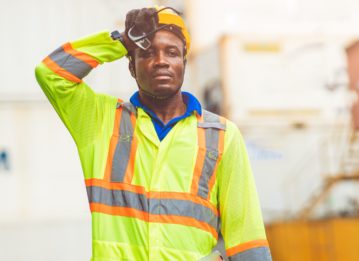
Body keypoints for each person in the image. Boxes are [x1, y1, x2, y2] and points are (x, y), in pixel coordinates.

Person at [35, 6, 272, 261]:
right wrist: (121, 41)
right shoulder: (101, 121)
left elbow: (246, 235)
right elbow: (50, 74)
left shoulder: (223, 135)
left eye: (172, 52)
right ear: (132, 68)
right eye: (147, 53)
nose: (161, 61)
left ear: (183, 62)